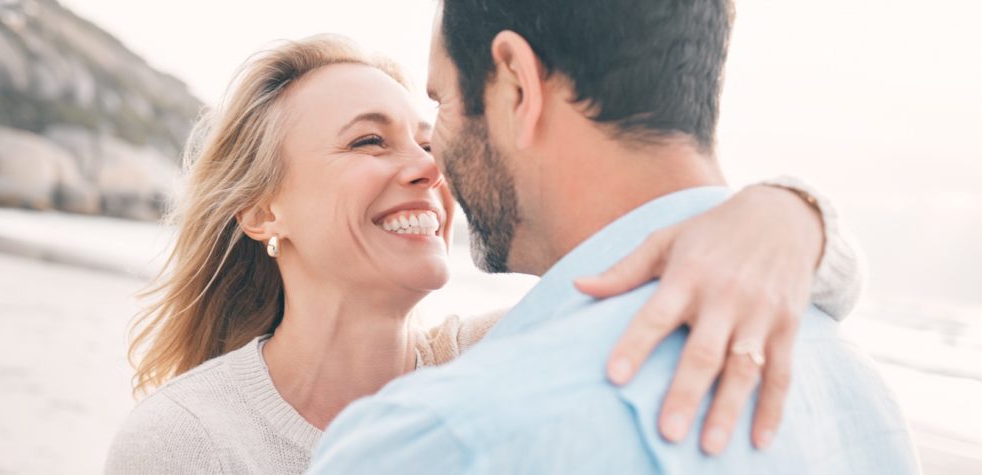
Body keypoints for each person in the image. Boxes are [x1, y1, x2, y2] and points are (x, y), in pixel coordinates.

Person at [106, 34, 864, 474]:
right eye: (369, 140)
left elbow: (805, 275)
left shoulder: (507, 349)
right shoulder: (187, 439)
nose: (429, 168)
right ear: (262, 208)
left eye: (426, 139)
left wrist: (788, 213)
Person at [308, 1, 920, 473]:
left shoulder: (437, 439)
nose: (431, 157)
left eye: (441, 103)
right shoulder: (862, 389)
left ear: (518, 86)